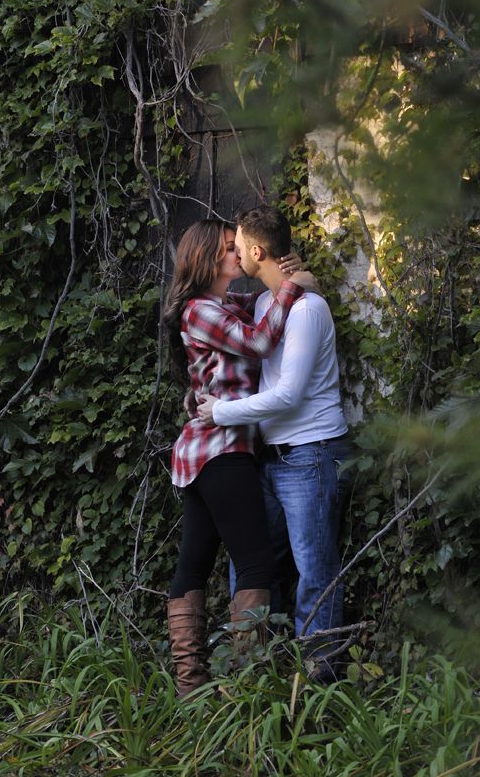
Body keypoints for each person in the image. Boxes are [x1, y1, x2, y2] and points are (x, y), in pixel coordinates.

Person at [163, 218, 315, 698]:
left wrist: (289, 281)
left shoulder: (222, 305)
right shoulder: (199, 311)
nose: (238, 253)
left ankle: (194, 692)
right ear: (208, 258)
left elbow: (260, 307)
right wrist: (292, 288)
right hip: (222, 451)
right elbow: (259, 341)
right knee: (255, 565)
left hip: (205, 454)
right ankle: (247, 689)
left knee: (194, 563)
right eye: (230, 248)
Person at [197, 206, 355, 669]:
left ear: (257, 251)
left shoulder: (307, 311)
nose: (235, 253)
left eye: (238, 247)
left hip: (312, 455)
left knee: (315, 571)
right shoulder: (270, 304)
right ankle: (254, 671)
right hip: (271, 459)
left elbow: (287, 395)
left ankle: (317, 680)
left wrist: (220, 412)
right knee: (251, 563)